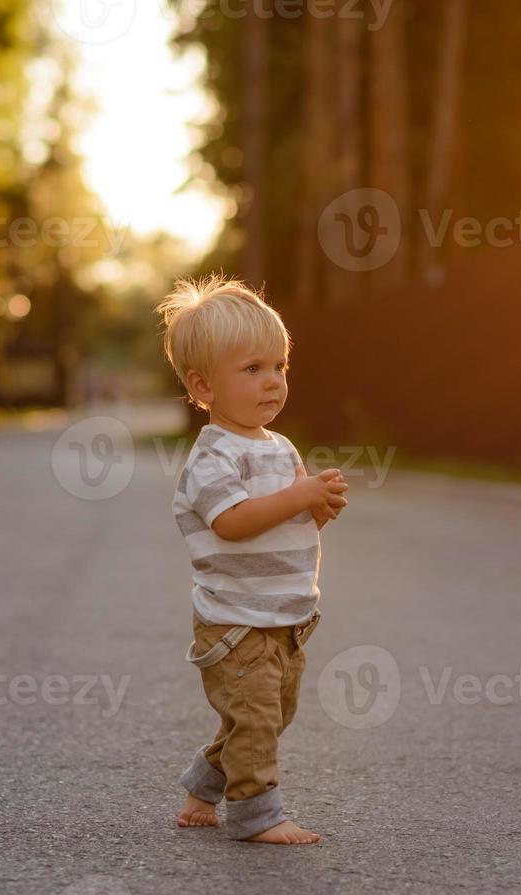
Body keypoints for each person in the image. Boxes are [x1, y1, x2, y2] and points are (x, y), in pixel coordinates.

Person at [159, 276, 348, 845]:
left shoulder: (278, 446)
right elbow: (233, 522)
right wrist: (298, 496)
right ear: (203, 385)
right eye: (252, 370)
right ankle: (256, 815)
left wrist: (317, 508)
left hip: (284, 619)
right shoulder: (212, 457)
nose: (272, 382)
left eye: (279, 367)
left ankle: (203, 785)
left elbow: (284, 519)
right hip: (236, 622)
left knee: (268, 715)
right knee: (258, 719)